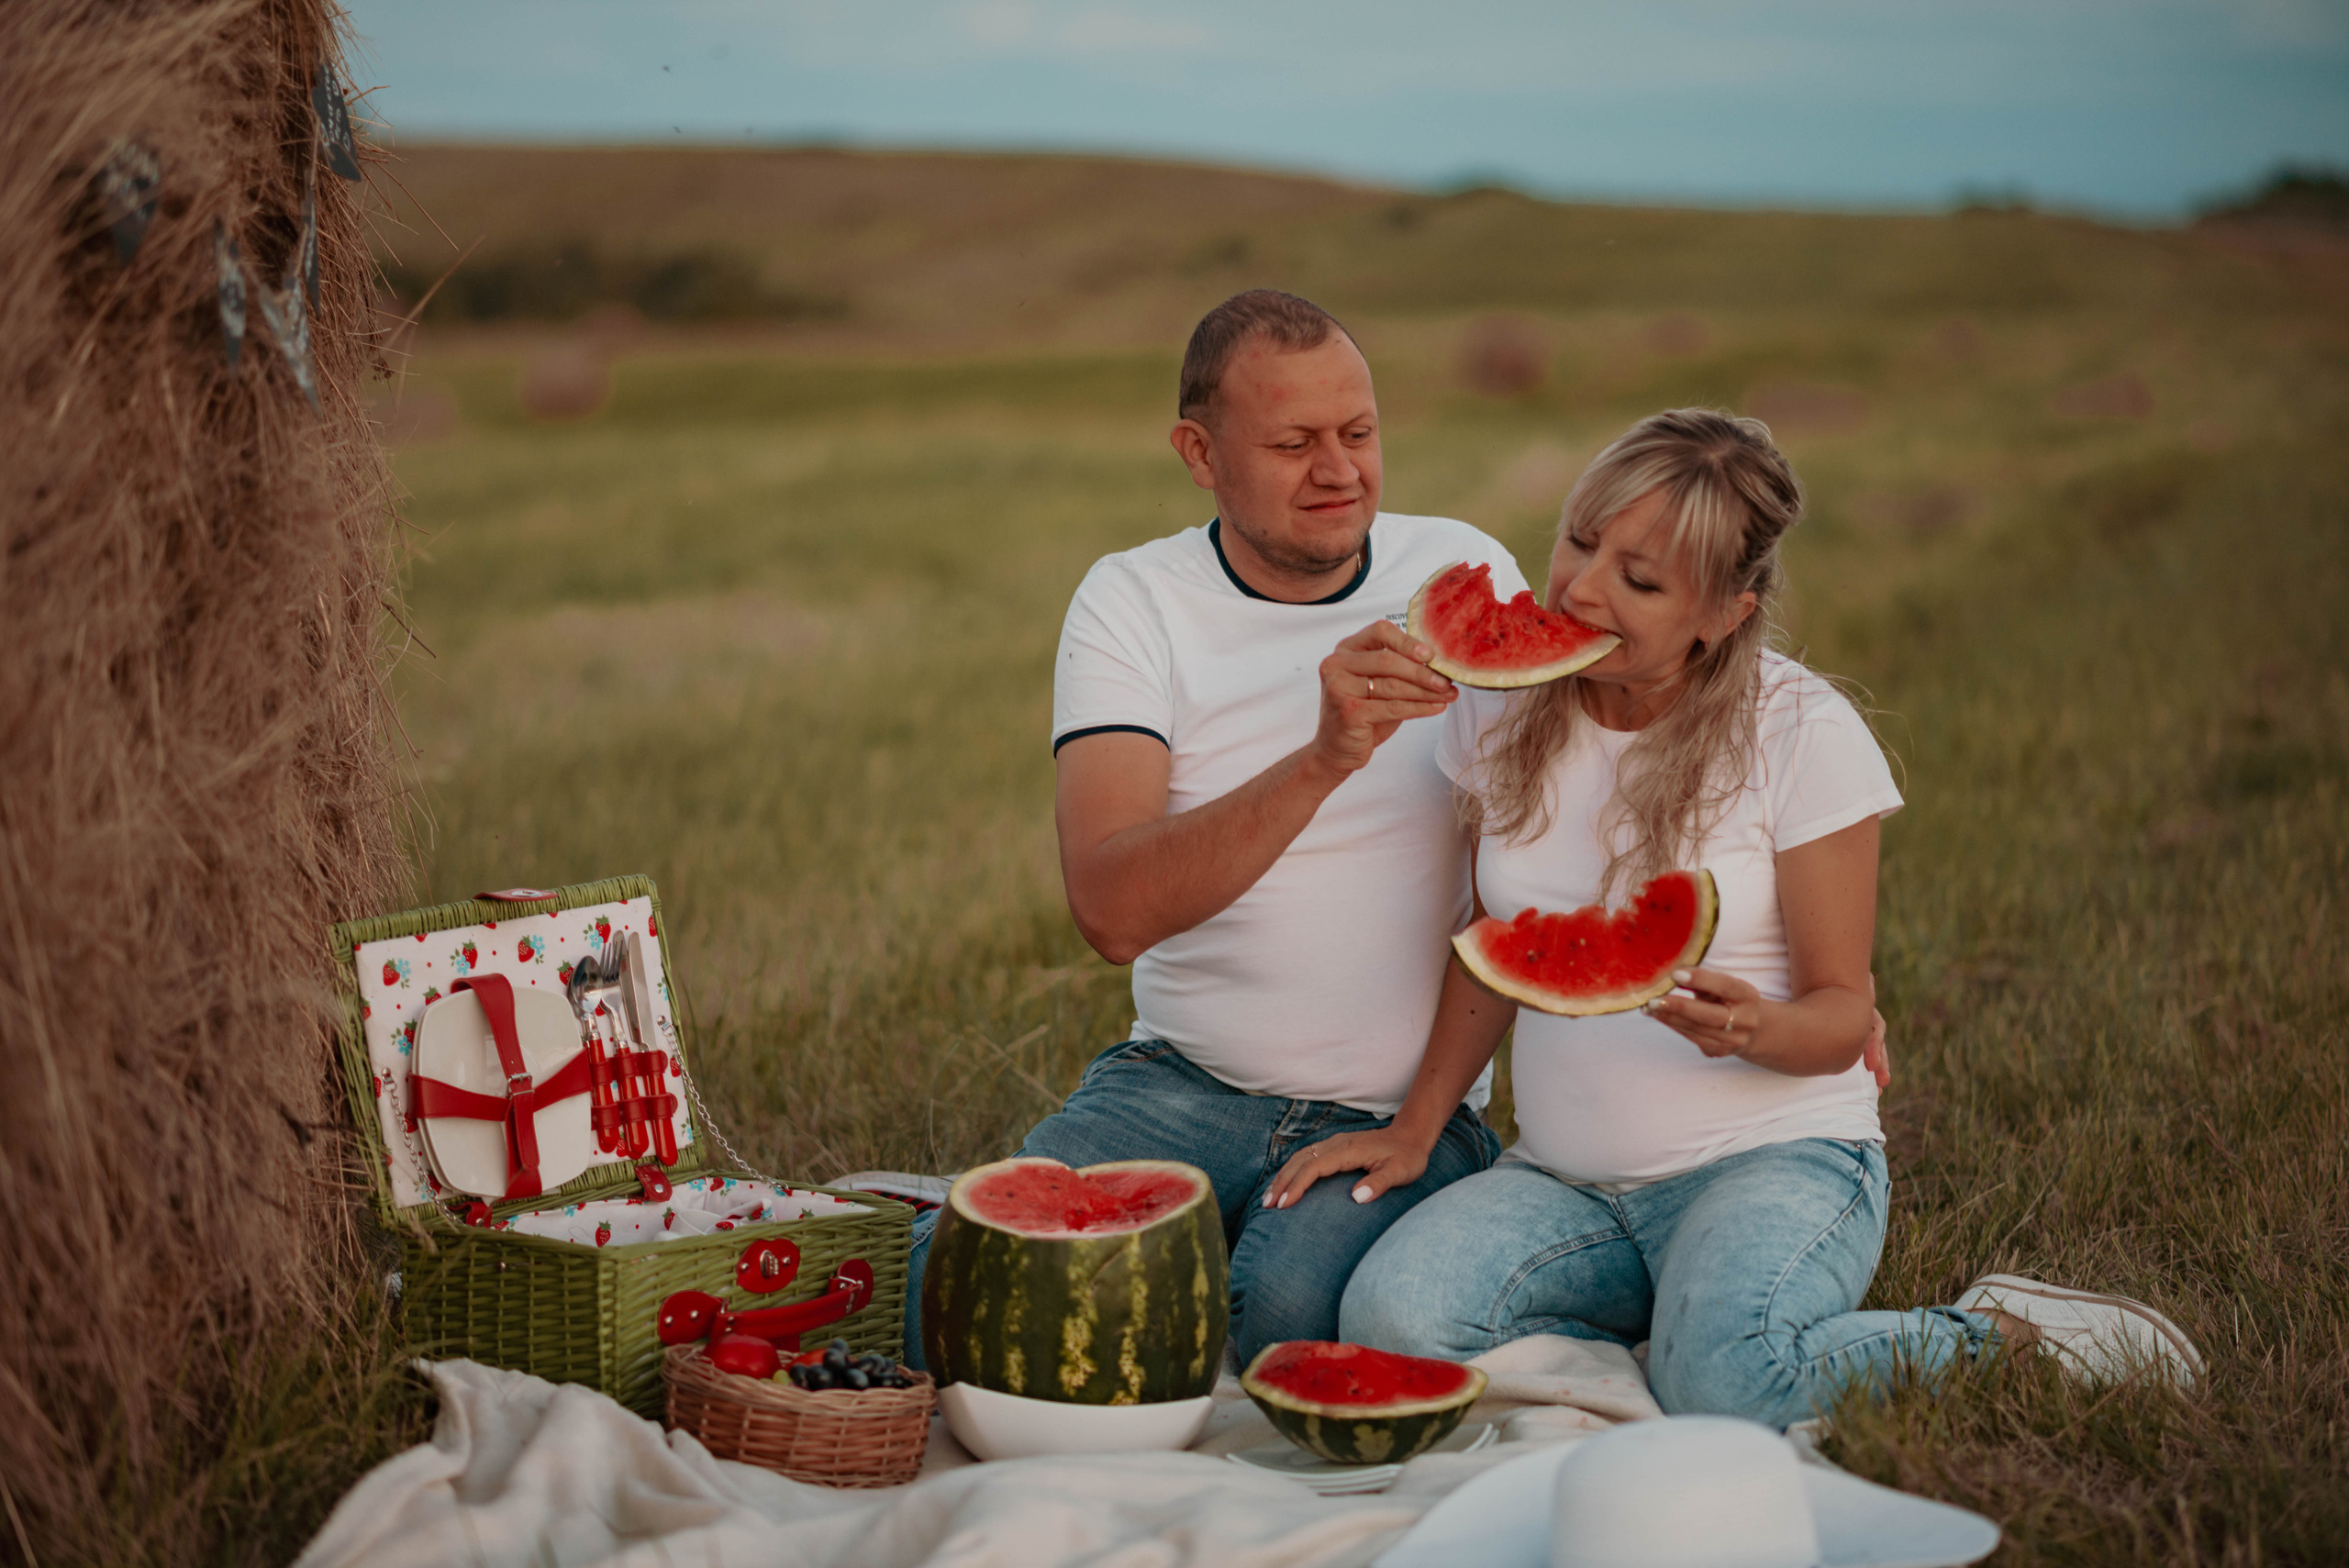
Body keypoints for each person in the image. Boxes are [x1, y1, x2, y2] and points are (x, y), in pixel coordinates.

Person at [1267, 408, 2202, 1426]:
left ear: (1724, 610)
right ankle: (1679, 1335)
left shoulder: (1800, 733)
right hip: (1565, 1179)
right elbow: (1504, 953)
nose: (1580, 588)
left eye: (1642, 579)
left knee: (1727, 1378)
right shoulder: (1496, 715)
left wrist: (1753, 1025)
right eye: (1579, 540)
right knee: (1388, 1319)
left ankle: (2004, 1335)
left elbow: (1845, 1014)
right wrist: (1417, 1126)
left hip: (1776, 1160)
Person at [900, 288, 1530, 1370]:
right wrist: (1325, 754)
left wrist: (1425, 1117)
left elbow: (1529, 873)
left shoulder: (1458, 571)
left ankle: (1198, 1259)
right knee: (943, 1298)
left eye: (1359, 433)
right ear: (1200, 452)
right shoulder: (1133, 600)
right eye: (1292, 443)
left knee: (1278, 1316)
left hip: (1405, 1108)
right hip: (1178, 1083)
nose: (1339, 471)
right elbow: (1110, 908)